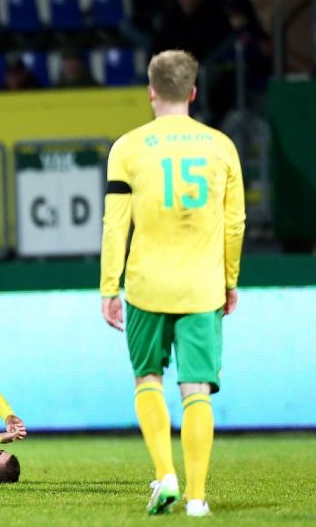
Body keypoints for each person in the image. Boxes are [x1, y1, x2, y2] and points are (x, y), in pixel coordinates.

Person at [99, 50, 246, 517]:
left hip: (146, 285)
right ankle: (197, 499)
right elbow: (235, 223)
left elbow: (115, 225)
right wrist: (230, 280)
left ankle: (165, 475)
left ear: (151, 91)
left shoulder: (128, 148)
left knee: (148, 379)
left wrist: (109, 287)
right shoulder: (221, 146)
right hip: (202, 286)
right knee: (196, 388)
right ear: (193, 92)